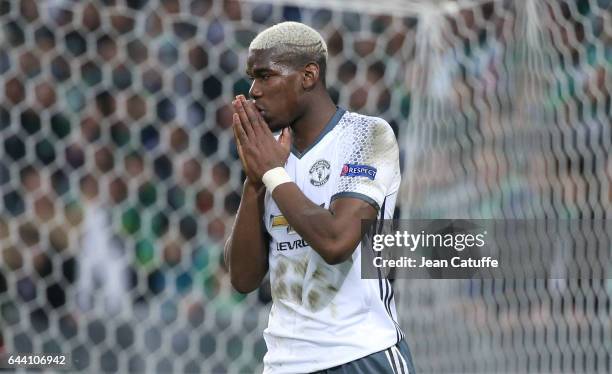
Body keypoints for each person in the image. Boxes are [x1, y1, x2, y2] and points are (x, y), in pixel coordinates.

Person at [224, 22, 415, 374]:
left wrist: (271, 173)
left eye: (265, 76)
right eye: (252, 78)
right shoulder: (270, 155)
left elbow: (336, 240)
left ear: (308, 75)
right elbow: (243, 279)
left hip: (360, 354)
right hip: (284, 363)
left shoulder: (366, 136)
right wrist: (254, 184)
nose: (253, 91)